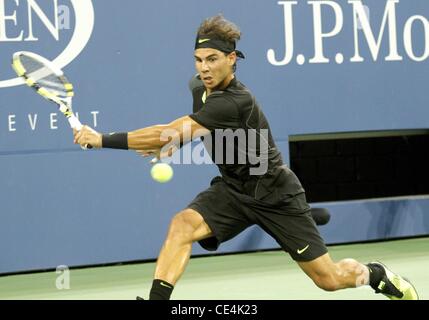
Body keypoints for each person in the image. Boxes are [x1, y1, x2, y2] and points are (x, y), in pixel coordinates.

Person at [73, 15, 418, 300]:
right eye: (199, 60)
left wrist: (101, 139)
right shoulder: (199, 87)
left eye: (212, 60)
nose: (204, 68)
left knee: (328, 279)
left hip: (275, 194)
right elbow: (193, 129)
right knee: (182, 225)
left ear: (232, 60)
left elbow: (173, 128)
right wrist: (176, 143)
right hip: (234, 189)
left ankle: (375, 274)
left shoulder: (236, 101)